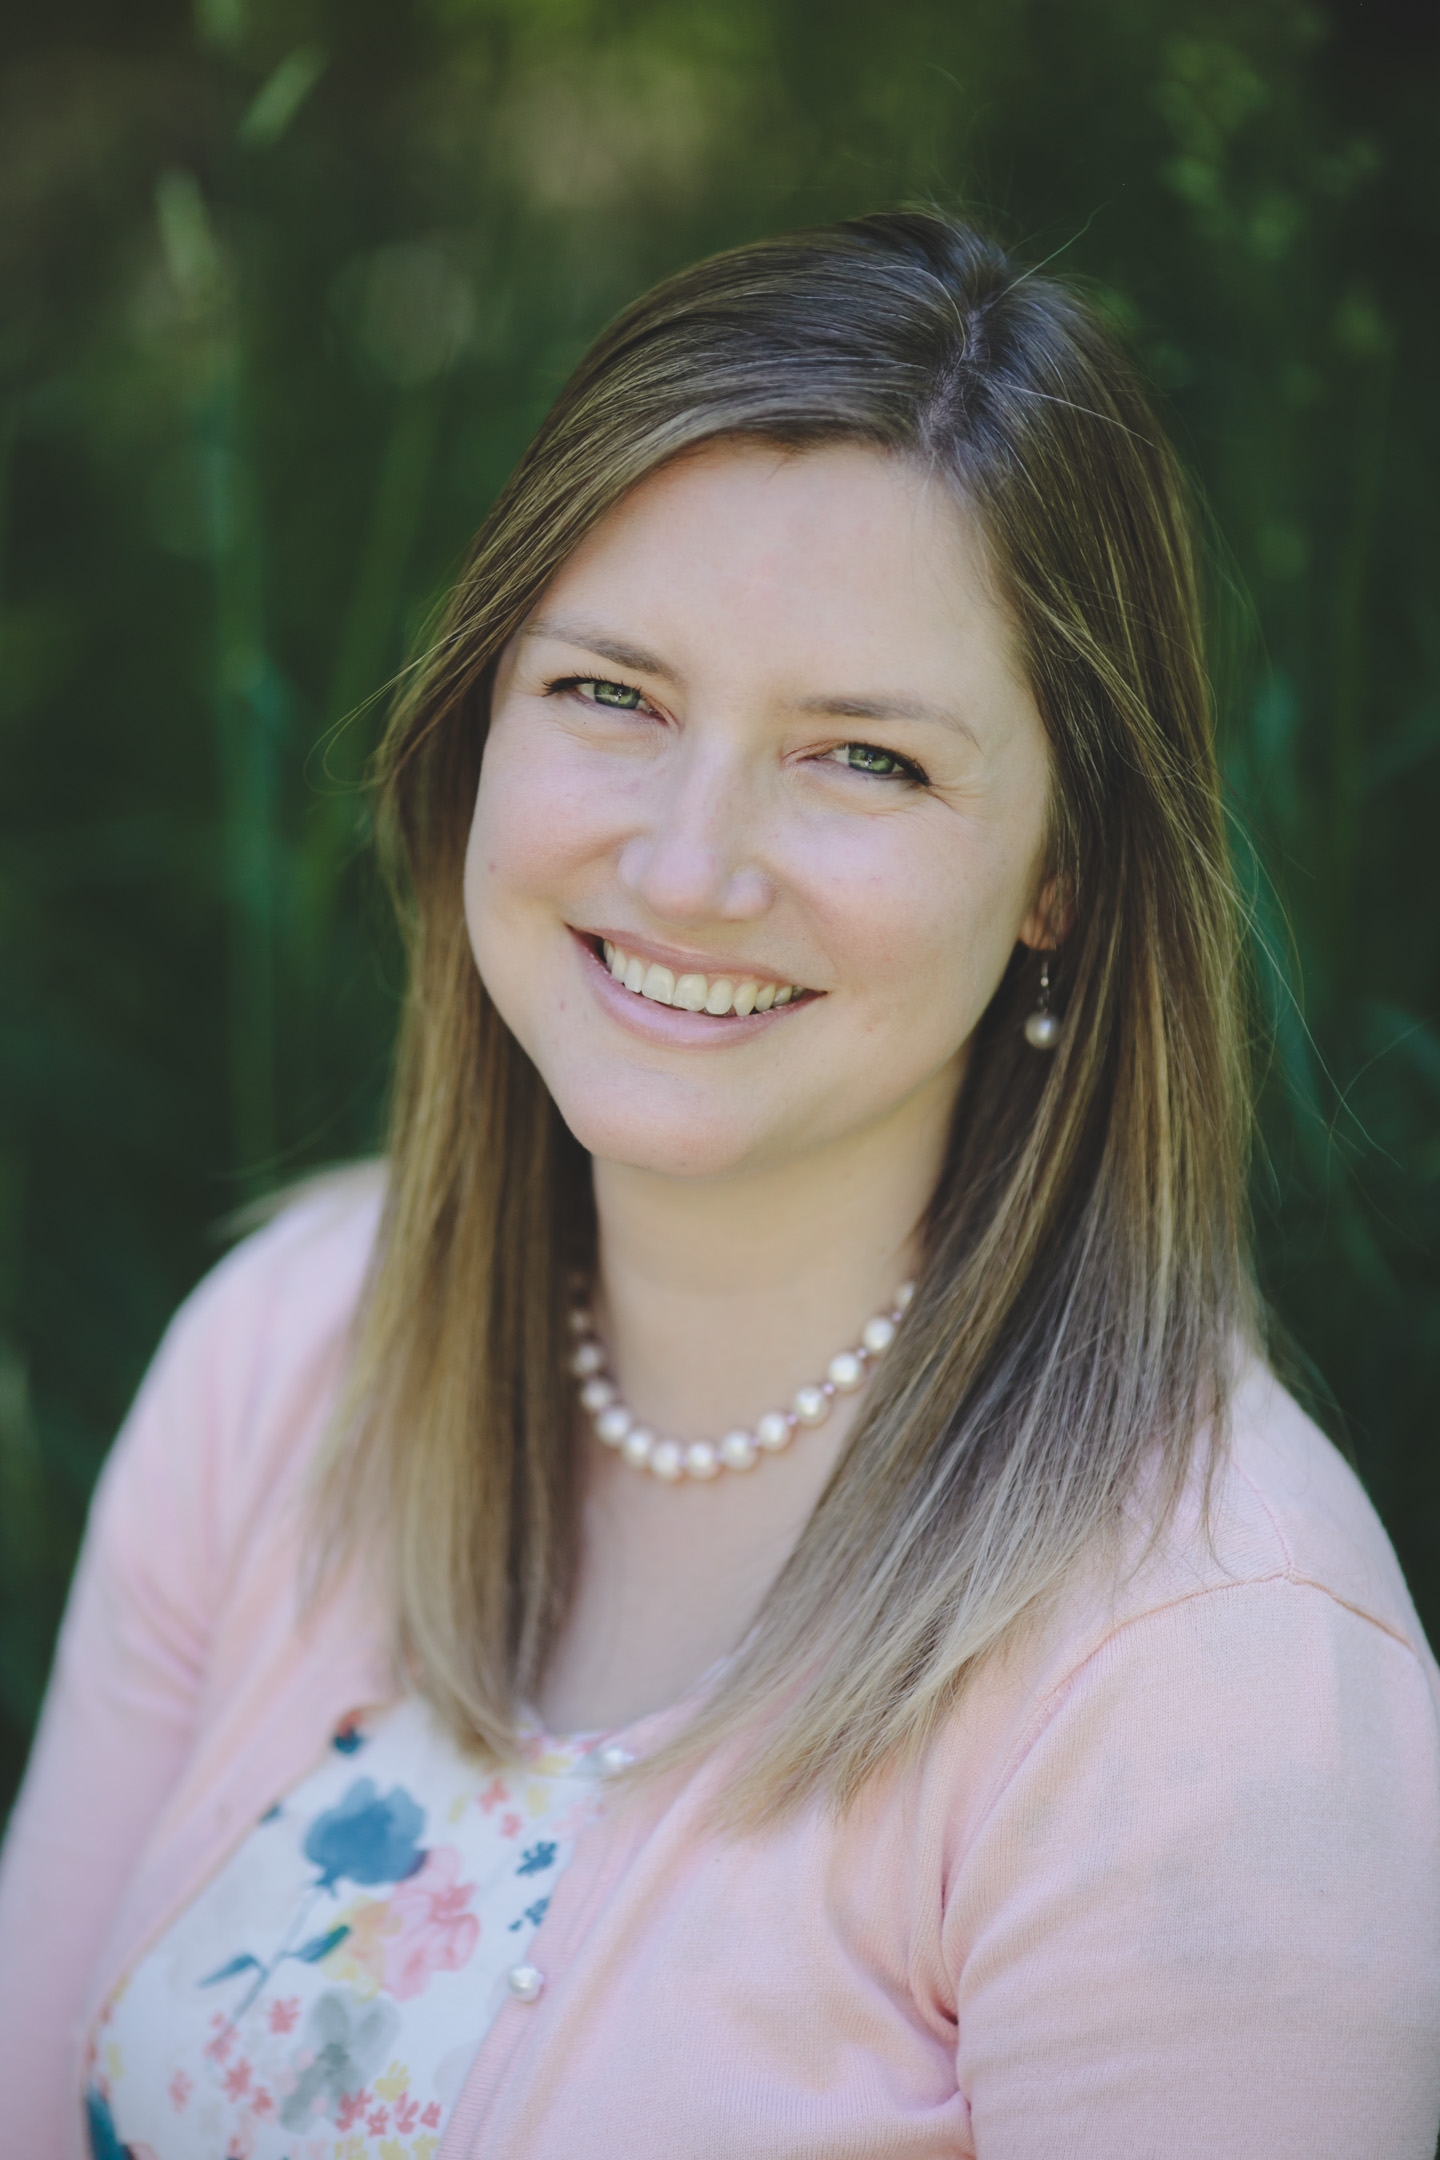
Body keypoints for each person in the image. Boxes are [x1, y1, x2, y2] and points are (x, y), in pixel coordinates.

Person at [1, 211, 1436, 2160]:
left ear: (1059, 881)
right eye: (611, 696)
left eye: (863, 758)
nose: (689, 869)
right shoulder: (283, 1356)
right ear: (477, 719)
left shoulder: (1215, 1675)